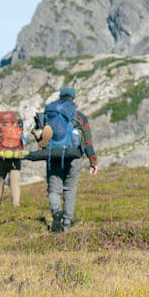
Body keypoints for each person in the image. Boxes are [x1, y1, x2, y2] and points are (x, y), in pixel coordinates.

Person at [24, 87, 97, 232]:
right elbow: (88, 141)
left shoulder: (49, 113)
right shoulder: (79, 116)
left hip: (53, 155)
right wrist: (92, 161)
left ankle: (56, 212)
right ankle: (67, 224)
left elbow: (40, 134)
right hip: (73, 156)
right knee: (70, 189)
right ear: (74, 99)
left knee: (54, 189)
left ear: (60, 97)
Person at [0, 110, 27, 206]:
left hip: (1, 158)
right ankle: (16, 205)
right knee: (14, 183)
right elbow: (24, 142)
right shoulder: (18, 128)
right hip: (15, 159)